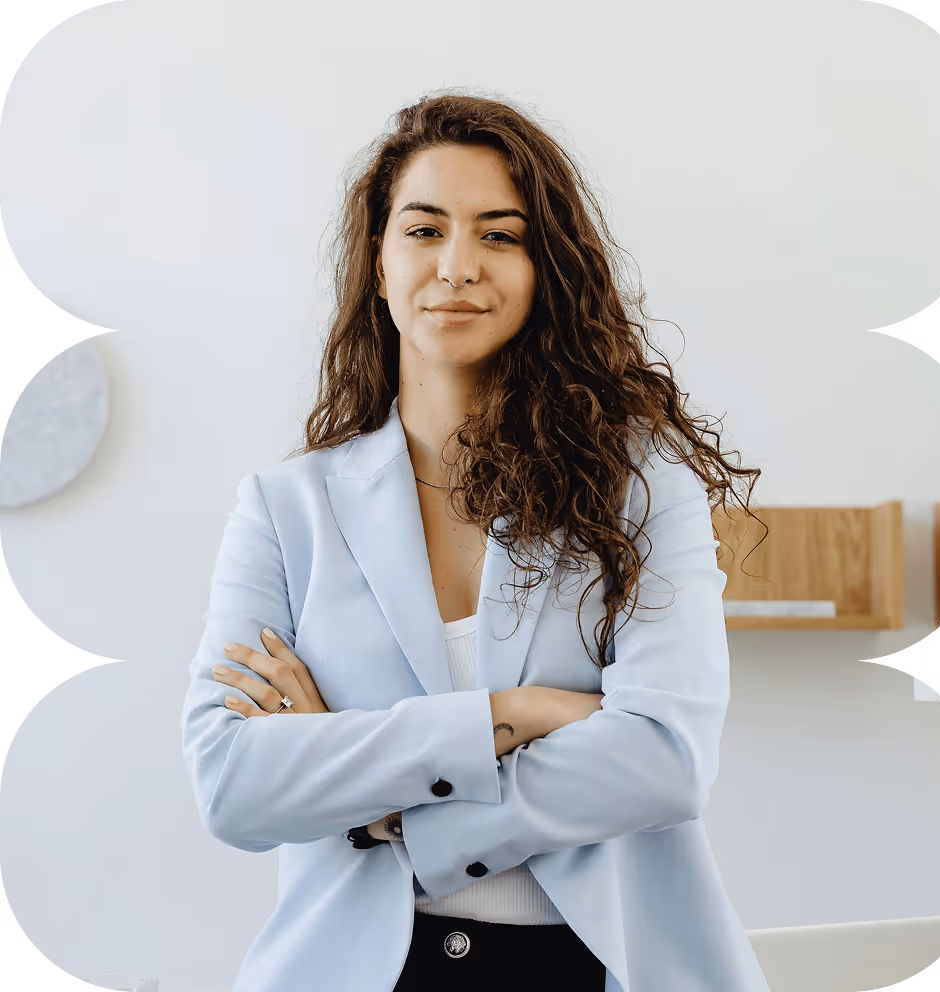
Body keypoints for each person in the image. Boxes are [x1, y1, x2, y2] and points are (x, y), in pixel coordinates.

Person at [180, 88, 772, 992]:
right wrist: (522, 711)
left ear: (547, 271)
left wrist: (383, 810)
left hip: (596, 968)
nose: (457, 266)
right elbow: (234, 784)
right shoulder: (283, 508)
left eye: (499, 234)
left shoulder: (640, 490)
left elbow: (663, 762)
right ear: (376, 266)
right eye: (423, 231)